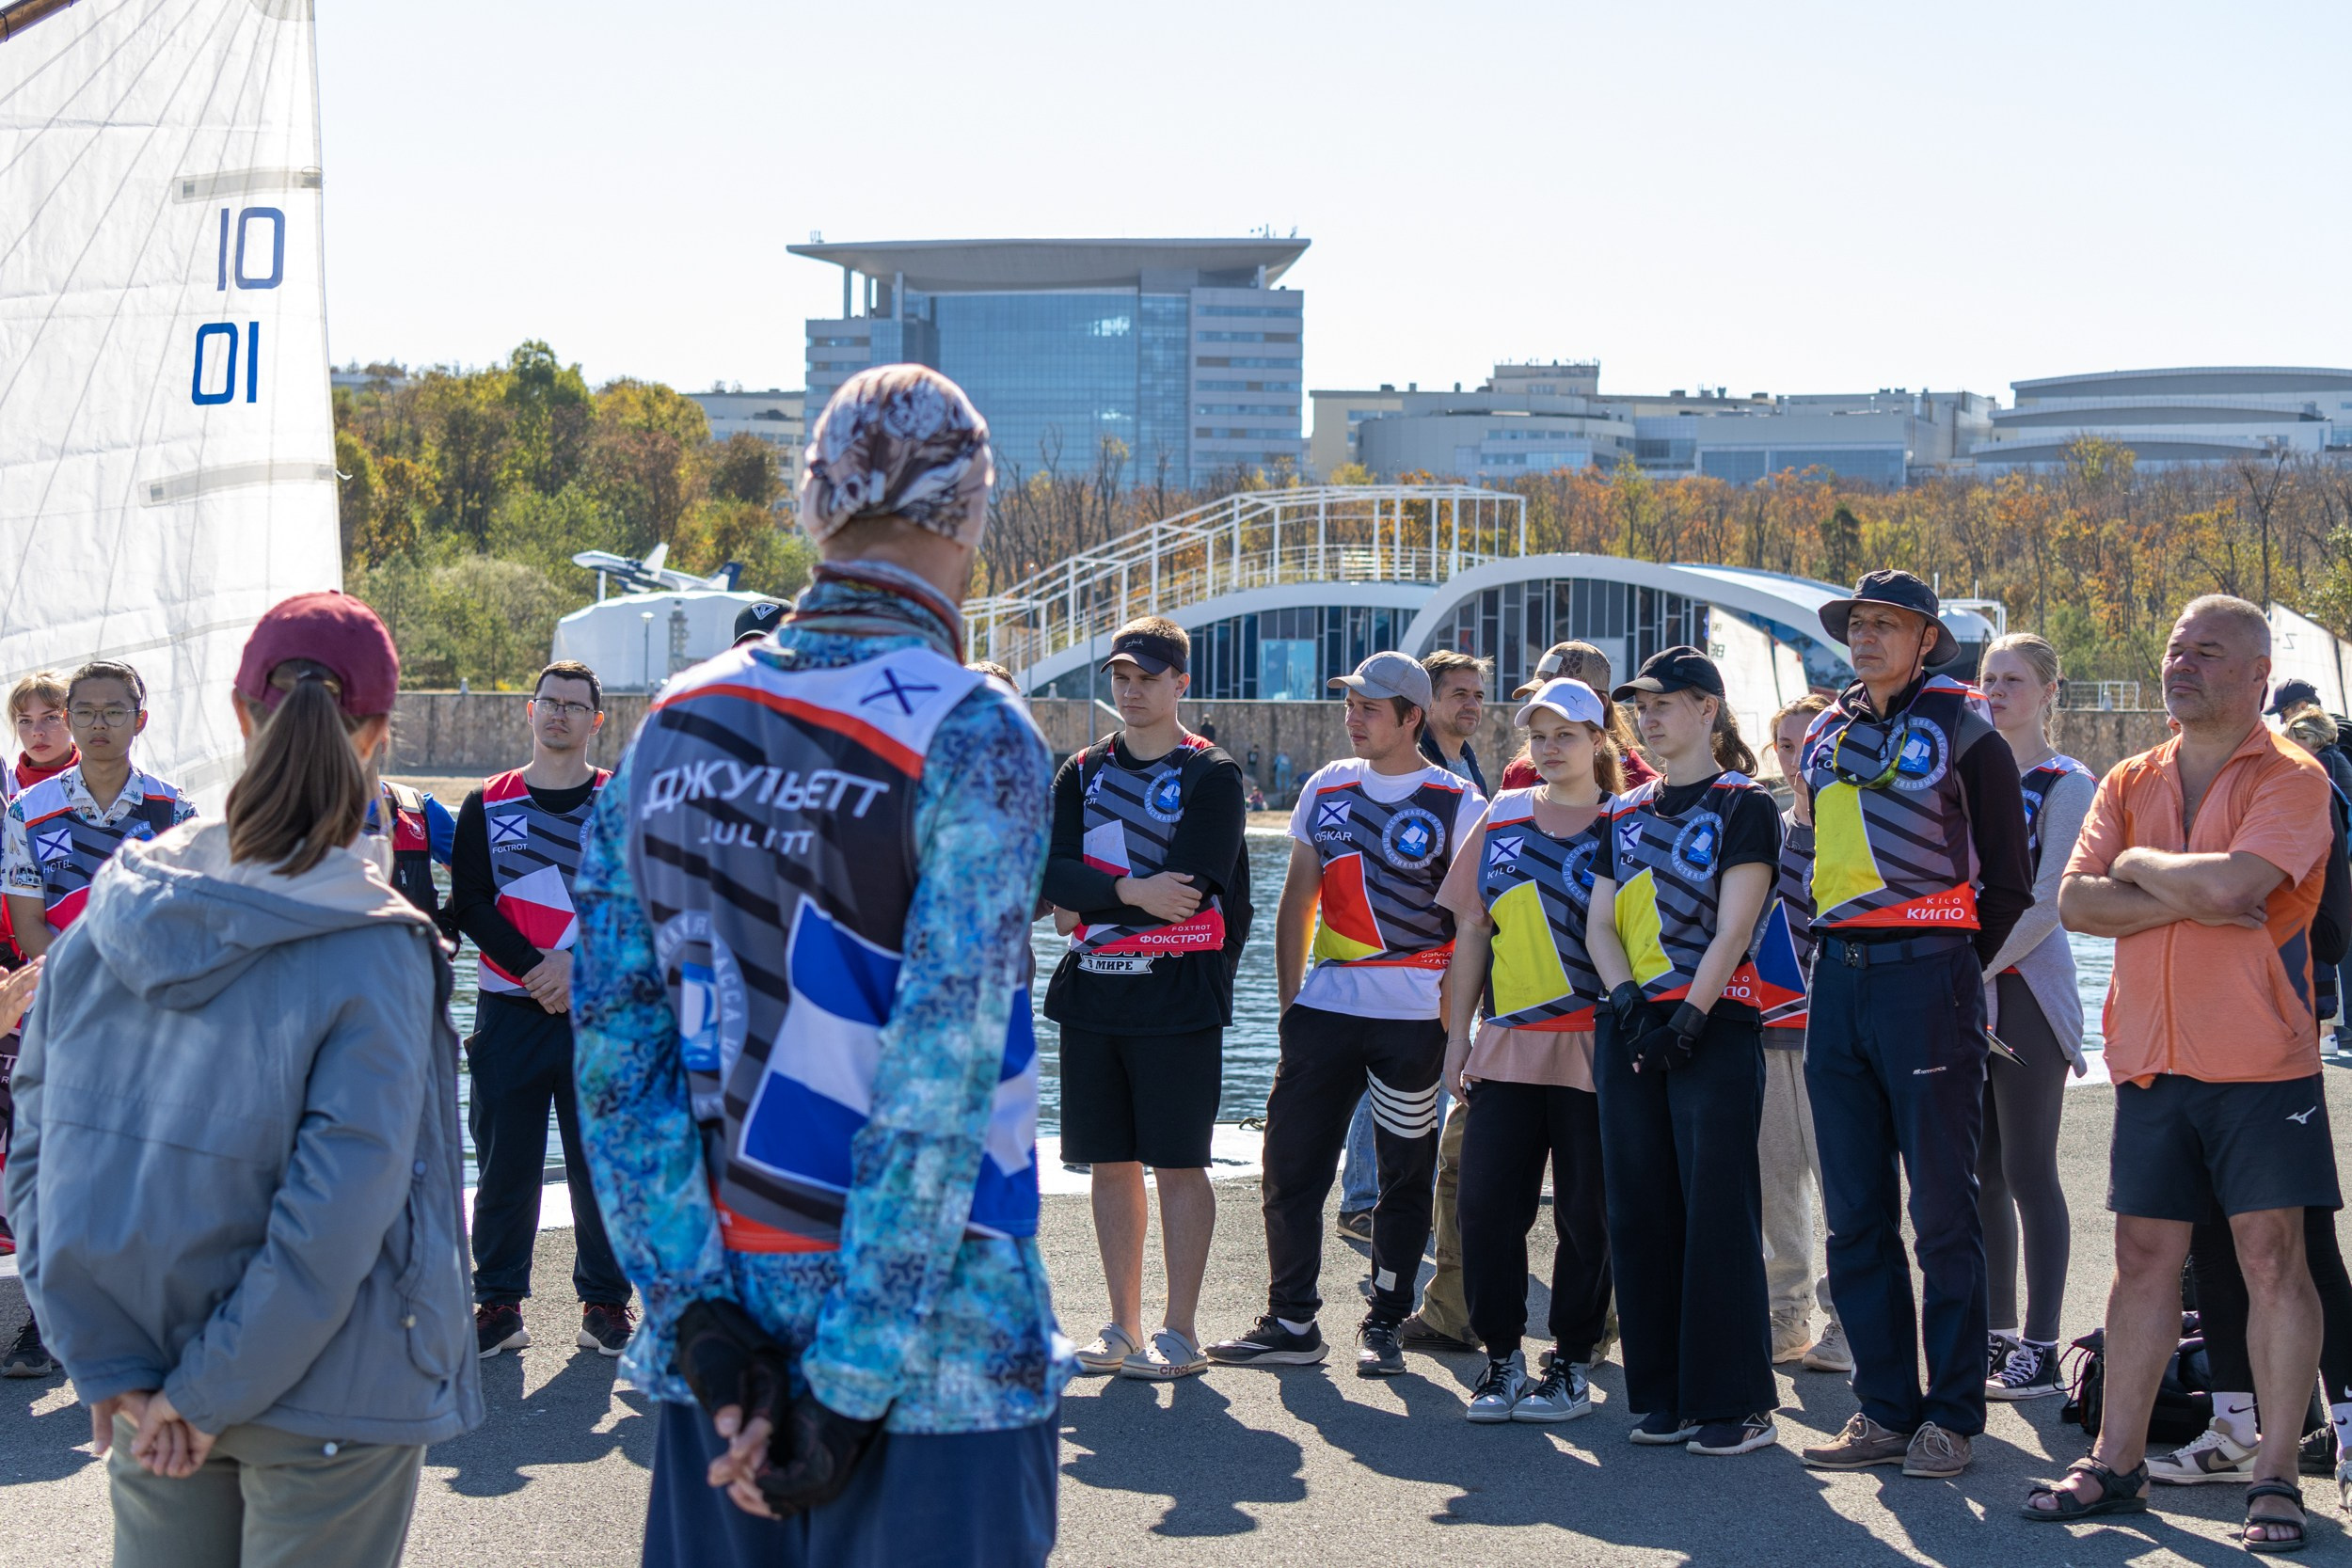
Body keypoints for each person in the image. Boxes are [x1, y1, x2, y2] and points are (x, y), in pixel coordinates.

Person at [573, 364, 1062, 1567]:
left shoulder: (671, 727)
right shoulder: (971, 731)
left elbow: (615, 1055)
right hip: (941, 1356)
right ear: (972, 509)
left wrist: (696, 1321)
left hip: (722, 1356)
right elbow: (939, 1080)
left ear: (811, 504)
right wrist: (847, 1379)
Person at [7, 591, 481, 1568]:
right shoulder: (374, 942)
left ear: (238, 712)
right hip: (336, 1388)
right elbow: (337, 1208)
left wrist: (106, 1359)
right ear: (379, 731)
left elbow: (38, 1149)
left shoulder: (118, 903)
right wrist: (209, 1390)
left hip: (148, 1367)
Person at [2035, 594, 2332, 1551]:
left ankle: (2275, 1474)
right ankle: (2116, 1462)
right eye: (2174, 648)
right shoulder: (2132, 774)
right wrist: (2188, 888)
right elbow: (2076, 903)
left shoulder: (2293, 777)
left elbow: (2238, 886)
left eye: (2207, 651)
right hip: (2151, 1060)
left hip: (2261, 1061)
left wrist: (2139, 864)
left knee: (2271, 1260)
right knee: (2141, 1261)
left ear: (2258, 674)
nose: (2181, 664)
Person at [1794, 571, 2032, 1481]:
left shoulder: (1967, 726)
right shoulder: (1825, 730)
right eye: (1856, 623)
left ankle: (1953, 1414)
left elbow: (2009, 881)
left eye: (1885, 624)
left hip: (1929, 981)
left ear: (1926, 638)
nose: (1864, 637)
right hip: (1837, 984)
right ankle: (1887, 1407)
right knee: (1854, 1214)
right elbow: (1810, 856)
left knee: (1940, 1211)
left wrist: (1951, 967)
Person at [1207, 652, 1482, 1376]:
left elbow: (1474, 923)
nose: (1353, 716)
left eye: (1369, 707)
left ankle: (1385, 1320)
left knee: (1403, 1175)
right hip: (1324, 1011)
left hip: (1414, 1022)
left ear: (1412, 716)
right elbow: (1298, 898)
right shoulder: (1326, 784)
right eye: (1350, 704)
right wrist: (1290, 1006)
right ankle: (1292, 1319)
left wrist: (1456, 1019)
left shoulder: (1457, 801)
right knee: (1288, 1165)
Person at [1585, 646, 1782, 1457]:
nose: (1648, 717)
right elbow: (1599, 922)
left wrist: (1690, 1020)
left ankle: (1736, 1400)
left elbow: (1735, 925)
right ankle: (1664, 1391)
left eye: (1664, 702)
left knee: (1717, 1210)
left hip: (1714, 1024)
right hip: (1634, 1026)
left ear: (1707, 708)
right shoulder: (1623, 811)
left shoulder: (1745, 804)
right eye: (1641, 706)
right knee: (1640, 1209)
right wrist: (1629, 1004)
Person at [1044, 617, 1247, 1383]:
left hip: (1179, 995)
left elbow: (1188, 891)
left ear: (1180, 683)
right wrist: (1130, 890)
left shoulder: (1211, 773)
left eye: (1148, 678)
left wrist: (1094, 895)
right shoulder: (1082, 770)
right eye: (1122, 678)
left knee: (1180, 1162)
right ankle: (1122, 1325)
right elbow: (1051, 876)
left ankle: (1181, 1330)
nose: (1131, 692)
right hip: (1095, 992)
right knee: (1110, 1162)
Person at [1438, 677, 1619, 1423]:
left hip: (1597, 1048)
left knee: (1588, 1216)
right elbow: (1471, 932)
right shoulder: (1502, 814)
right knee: (1484, 1206)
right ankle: (1503, 1359)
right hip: (1509, 1045)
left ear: (1599, 740)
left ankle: (1571, 1362)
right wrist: (1457, 1039)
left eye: (1565, 734)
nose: (1549, 748)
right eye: (1538, 736)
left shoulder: (1626, 821)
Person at [448, 660, 634, 1359]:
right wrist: (535, 969)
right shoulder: (487, 802)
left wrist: (577, 968)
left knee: (602, 1165)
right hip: (510, 1009)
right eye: (549, 701)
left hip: (598, 1013)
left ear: (596, 720)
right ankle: (499, 1303)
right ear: (530, 711)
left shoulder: (622, 804)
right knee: (504, 1167)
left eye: (574, 705)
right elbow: (469, 902)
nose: (559, 713)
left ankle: (605, 1304)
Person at [1973, 633, 2095, 1402]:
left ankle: (2044, 1347)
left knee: (2027, 1168)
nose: (1996, 690)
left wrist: (1972, 965)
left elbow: (2051, 901)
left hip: (2022, 990)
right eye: (1988, 677)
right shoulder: (1966, 772)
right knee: (1979, 1171)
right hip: (1968, 988)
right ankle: (1999, 1331)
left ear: (2049, 691)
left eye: (2013, 679)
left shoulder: (2067, 783)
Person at [1377, 649, 1488, 1350]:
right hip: (1435, 992)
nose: (1472, 704)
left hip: (1487, 1001)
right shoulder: (1472, 785)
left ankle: (1584, 1334)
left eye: (1479, 694)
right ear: (1426, 706)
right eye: (1460, 693)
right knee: (1444, 1156)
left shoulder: (1471, 782)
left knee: (1458, 1156)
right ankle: (1449, 1307)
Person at [1760, 692, 1846, 1375]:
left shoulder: (1859, 825)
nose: (1798, 763)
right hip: (1767, 1030)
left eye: (1811, 747)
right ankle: (1785, 1314)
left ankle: (1849, 1318)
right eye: (1786, 747)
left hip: (1836, 1035)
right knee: (1775, 1184)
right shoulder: (1764, 828)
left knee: (1845, 1184)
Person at [3, 659, 197, 957]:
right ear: (69, 719)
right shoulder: (24, 811)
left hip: (150, 979)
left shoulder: (175, 809)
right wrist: (84, 978)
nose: (98, 723)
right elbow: (27, 925)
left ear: (140, 721)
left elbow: (190, 915)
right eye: (84, 712)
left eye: (114, 712)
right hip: (59, 982)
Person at [0, 671, 77, 1375]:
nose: (37, 731)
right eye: (24, 720)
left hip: (84, 997)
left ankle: (47, 1321)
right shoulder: (10, 794)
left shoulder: (117, 796)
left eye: (49, 716)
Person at [1501, 642, 1658, 792]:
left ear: (1601, 703)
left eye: (1563, 696)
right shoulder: (1519, 774)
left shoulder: (1644, 787)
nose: (1545, 704)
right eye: (1538, 695)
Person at [366, 777, 457, 942]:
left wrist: (447, 921)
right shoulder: (315, 813)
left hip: (408, 953)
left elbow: (473, 877)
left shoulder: (422, 810)